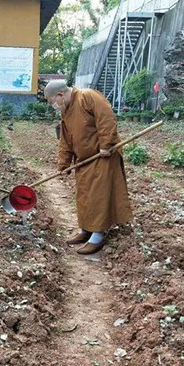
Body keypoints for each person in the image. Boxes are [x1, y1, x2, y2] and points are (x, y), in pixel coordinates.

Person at [44, 80, 132, 254]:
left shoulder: (88, 97)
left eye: (53, 102)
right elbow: (66, 140)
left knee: (98, 196)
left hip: (102, 157)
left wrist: (106, 145)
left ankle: (97, 235)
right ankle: (86, 230)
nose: (54, 106)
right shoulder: (66, 110)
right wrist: (64, 164)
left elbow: (106, 119)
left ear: (60, 95)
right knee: (84, 195)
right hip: (84, 160)